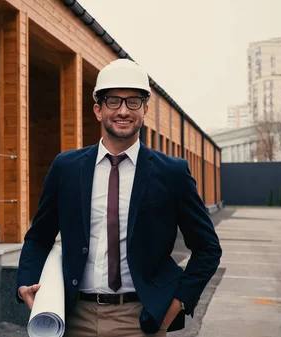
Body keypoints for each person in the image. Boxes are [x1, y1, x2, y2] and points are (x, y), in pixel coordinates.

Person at [16, 58, 222, 336]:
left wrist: (177, 304)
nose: (123, 111)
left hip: (139, 319)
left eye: (133, 102)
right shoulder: (66, 167)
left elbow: (207, 248)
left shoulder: (172, 173)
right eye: (113, 101)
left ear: (145, 109)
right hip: (73, 316)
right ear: (98, 110)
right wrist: (25, 283)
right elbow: (39, 237)